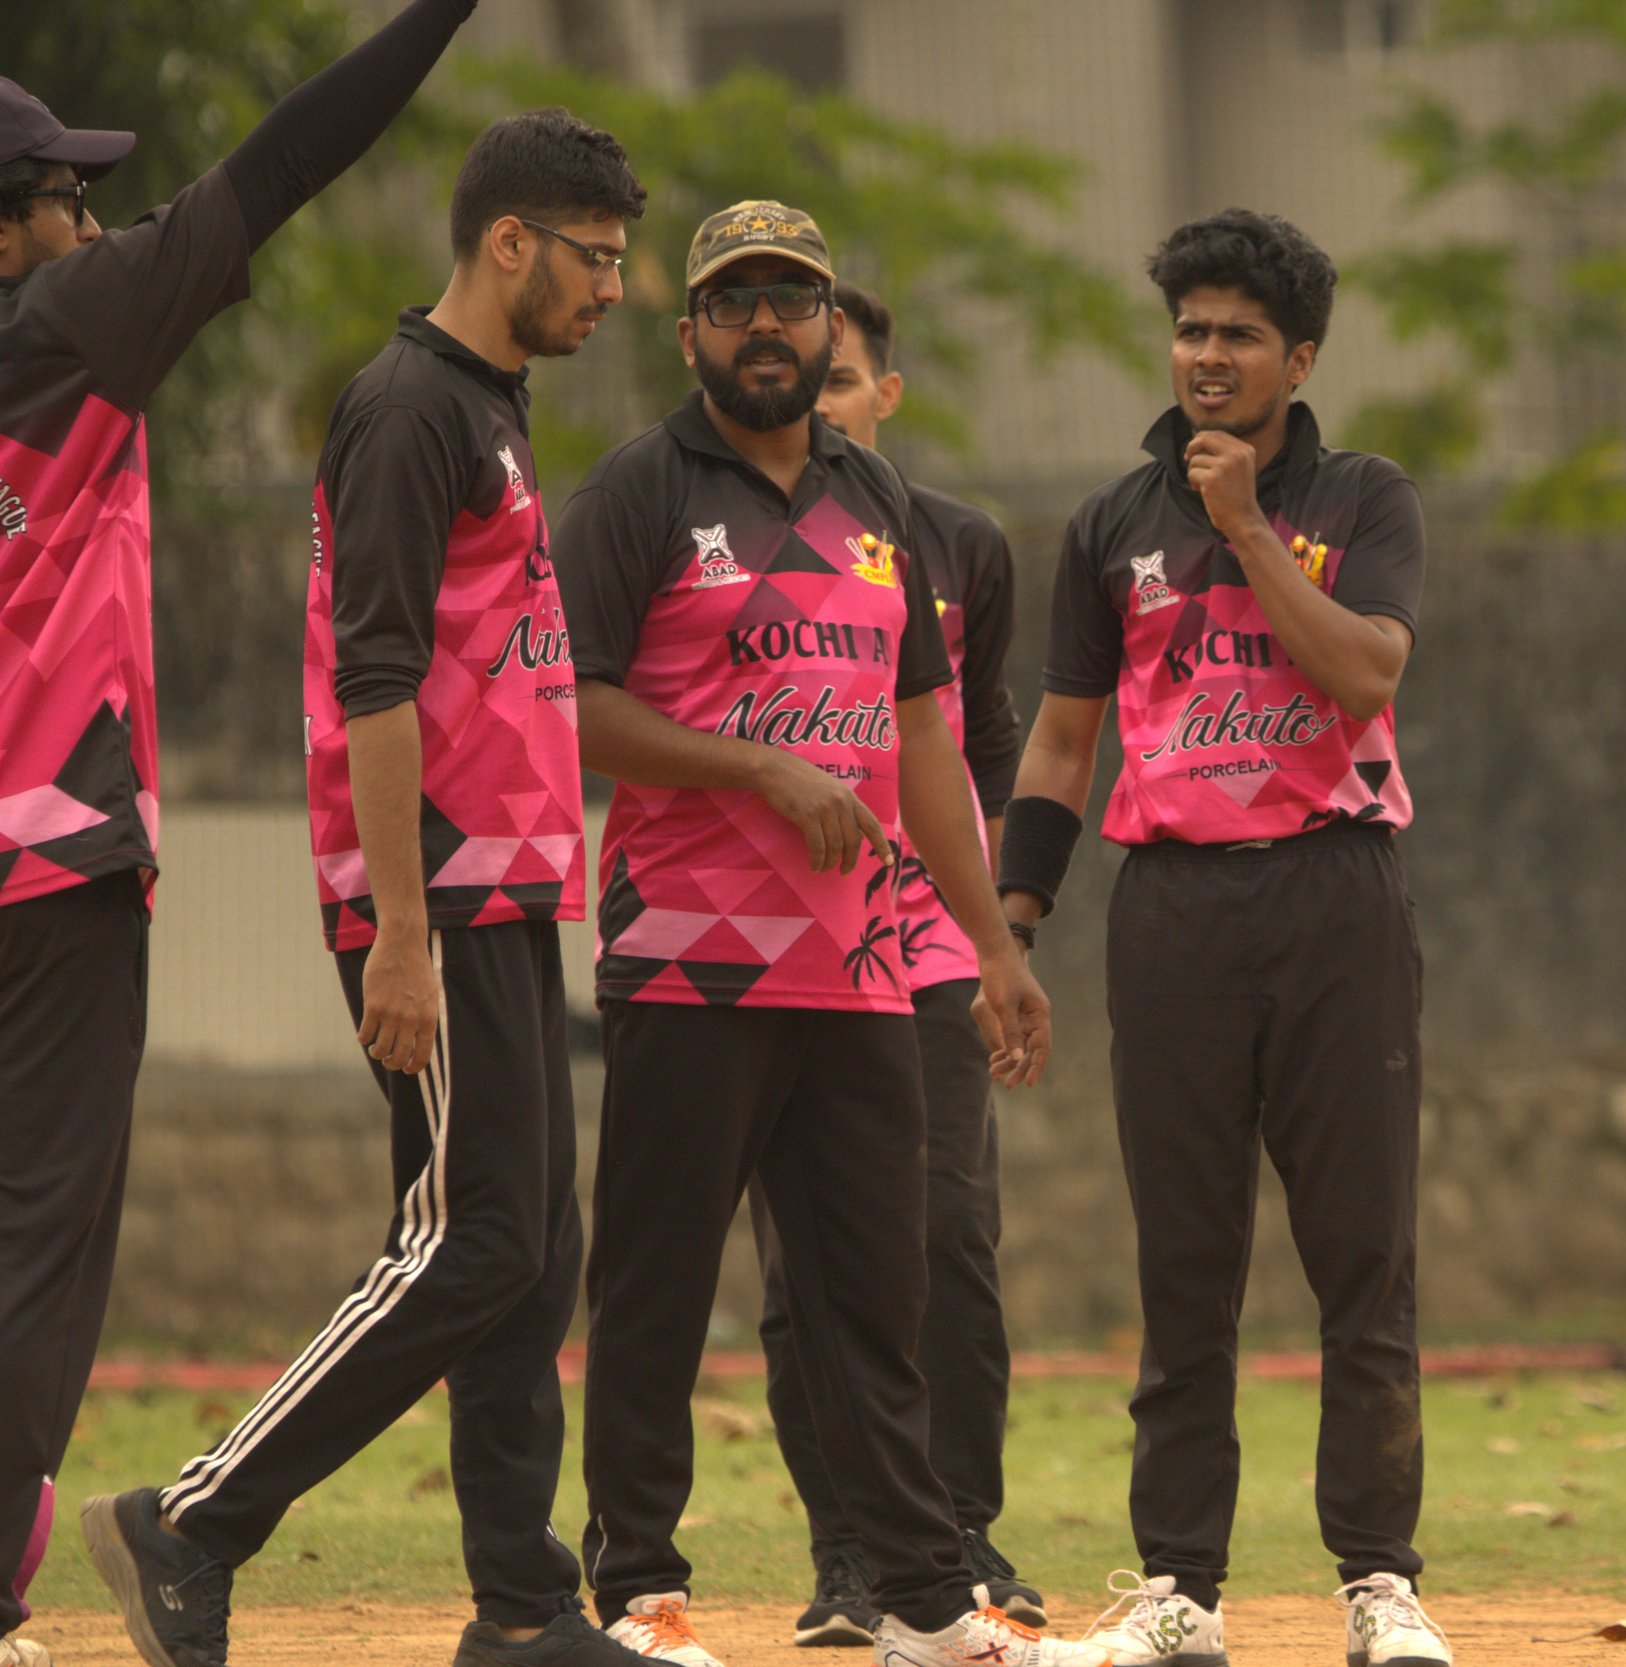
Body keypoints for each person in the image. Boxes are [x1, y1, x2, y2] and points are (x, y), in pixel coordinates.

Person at [83, 108, 650, 1667]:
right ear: (508, 243)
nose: (616, 289)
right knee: (471, 1241)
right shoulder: (410, 411)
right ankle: (189, 1523)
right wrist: (399, 927)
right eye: (595, 259)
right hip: (438, 894)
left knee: (532, 1249)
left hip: (507, 889)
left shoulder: (493, 403)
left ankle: (524, 1613)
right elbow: (377, 676)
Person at [549, 201, 1099, 1667]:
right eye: (736, 303)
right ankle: (642, 1595)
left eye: (793, 300)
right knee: (658, 1287)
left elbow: (924, 741)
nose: (768, 326)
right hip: (687, 964)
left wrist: (991, 945)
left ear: (827, 324)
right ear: (691, 336)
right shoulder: (640, 493)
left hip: (859, 972)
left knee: (877, 1297)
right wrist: (762, 770)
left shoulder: (882, 503)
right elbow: (580, 710)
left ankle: (922, 1599)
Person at [0, 6, 481, 1663]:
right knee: (39, 1232)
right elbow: (286, 157)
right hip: (45, 866)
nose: (92, 216)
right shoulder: (65, 319)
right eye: (64, 190)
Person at [994, 209, 1446, 1667]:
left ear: (1298, 357)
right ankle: (1180, 1588)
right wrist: (1014, 923)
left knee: (1358, 1254)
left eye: (1239, 333)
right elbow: (1065, 743)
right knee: (1186, 1264)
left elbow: (1366, 674)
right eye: (1190, 329)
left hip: (1336, 900)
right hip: (1174, 911)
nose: (1206, 355)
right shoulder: (1112, 526)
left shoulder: (1365, 499)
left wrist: (1249, 522)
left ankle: (1380, 1585)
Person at [747, 279, 1042, 1649]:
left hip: (922, 944)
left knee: (947, 1237)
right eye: (809, 380)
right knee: (807, 1264)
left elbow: (979, 745)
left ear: (884, 395)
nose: (827, 401)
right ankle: (849, 1559)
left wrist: (989, 931)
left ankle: (962, 1539)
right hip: (775, 942)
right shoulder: (722, 536)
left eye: (846, 377)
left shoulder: (959, 545)